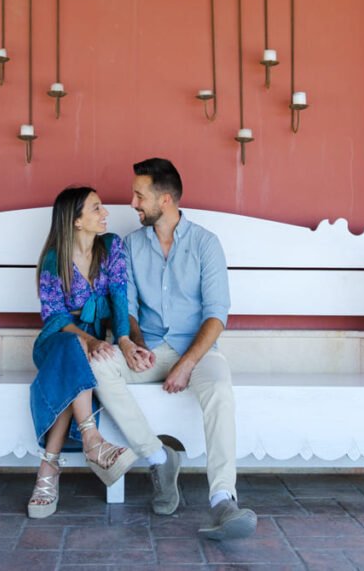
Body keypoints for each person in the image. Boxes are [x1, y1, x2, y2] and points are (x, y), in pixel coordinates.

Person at [90, 158, 258, 540]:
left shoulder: (205, 244)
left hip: (197, 353)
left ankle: (222, 500)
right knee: (99, 367)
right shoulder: (131, 246)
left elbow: (216, 316)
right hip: (149, 351)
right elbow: (127, 308)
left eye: (139, 195)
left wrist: (187, 363)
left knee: (219, 387)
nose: (132, 203)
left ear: (164, 200)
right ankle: (158, 457)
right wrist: (131, 342)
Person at [27, 186, 137, 519]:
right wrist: (87, 341)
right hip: (57, 340)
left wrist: (124, 338)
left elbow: (119, 295)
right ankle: (93, 440)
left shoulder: (111, 246)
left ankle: (49, 469)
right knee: (74, 351)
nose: (105, 214)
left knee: (73, 371)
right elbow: (55, 316)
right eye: (96, 208)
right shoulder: (53, 259)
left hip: (93, 343)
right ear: (76, 221)